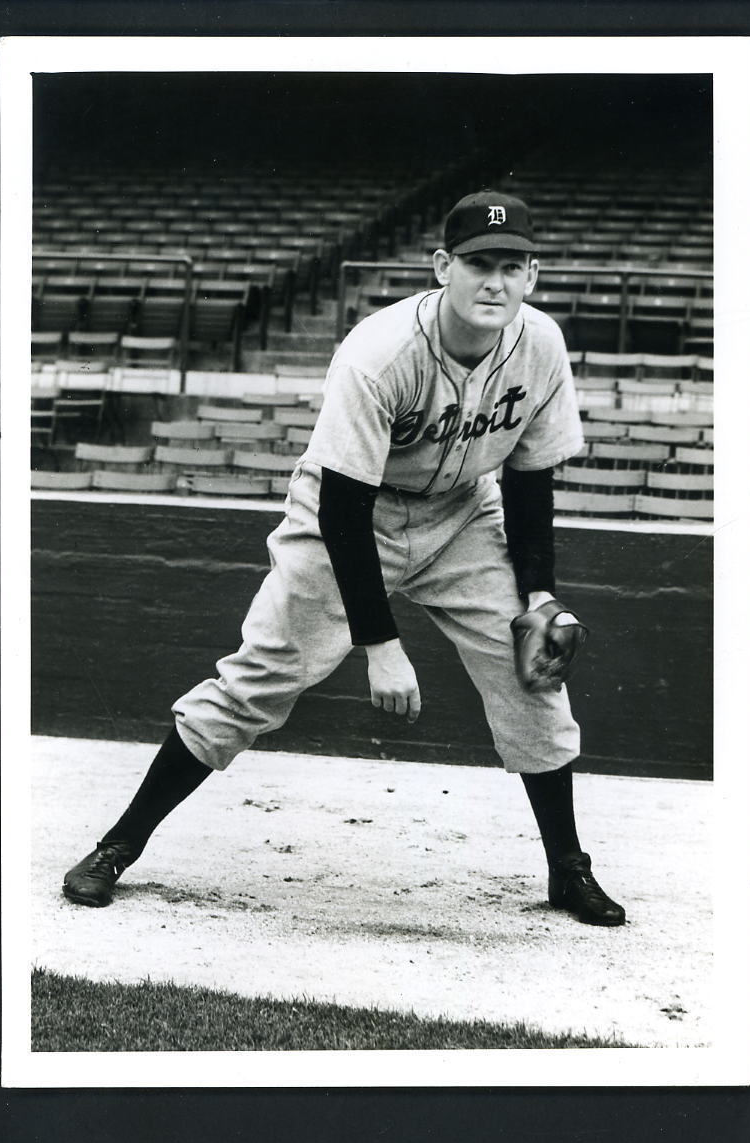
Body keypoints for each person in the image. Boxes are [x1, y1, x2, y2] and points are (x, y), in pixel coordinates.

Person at [63, 190, 625, 927]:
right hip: (353, 511)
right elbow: (343, 507)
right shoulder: (380, 351)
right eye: (479, 263)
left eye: (511, 265)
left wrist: (539, 594)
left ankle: (567, 869)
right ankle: (118, 843)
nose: (495, 281)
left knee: (532, 680)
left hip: (462, 512)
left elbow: (528, 477)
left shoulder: (540, 345)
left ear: (532, 275)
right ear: (441, 267)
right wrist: (380, 645)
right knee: (256, 681)